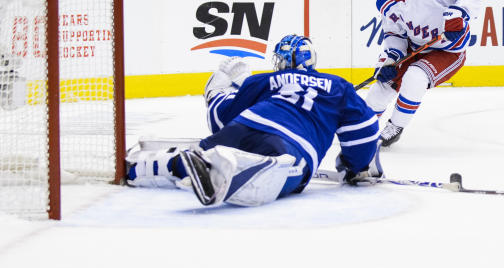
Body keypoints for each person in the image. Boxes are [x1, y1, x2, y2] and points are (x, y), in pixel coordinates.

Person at [126, 35, 383, 207]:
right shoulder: (338, 86)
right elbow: (366, 131)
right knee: (283, 169)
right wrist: (354, 166)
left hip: (246, 124)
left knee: (205, 150)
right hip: (294, 144)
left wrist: (220, 88)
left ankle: (149, 167)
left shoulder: (262, 80)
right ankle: (246, 171)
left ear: (282, 61)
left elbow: (220, 119)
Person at [365, 0, 480, 147]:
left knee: (415, 77)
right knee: (380, 90)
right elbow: (394, 34)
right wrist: (391, 58)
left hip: (447, 49)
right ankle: (362, 129)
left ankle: (396, 126)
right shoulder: (384, 1)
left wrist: (459, 14)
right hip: (414, 48)